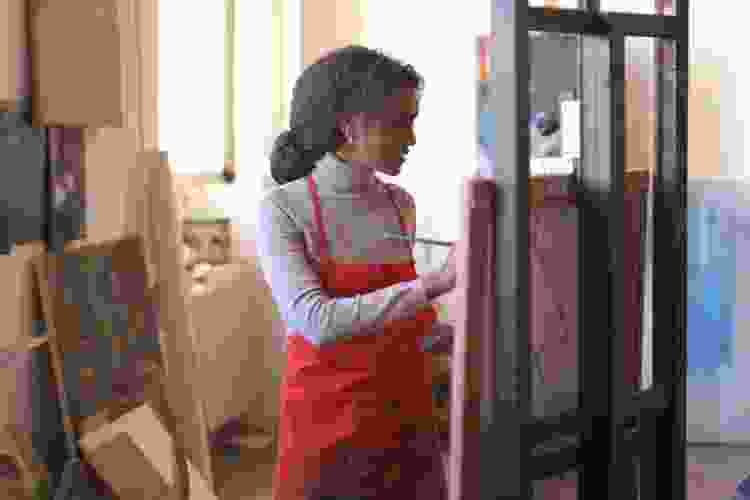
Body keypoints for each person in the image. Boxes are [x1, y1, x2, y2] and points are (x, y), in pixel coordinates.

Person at [255, 45, 457, 500]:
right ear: (349, 125)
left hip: (407, 426)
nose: (413, 138)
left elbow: (397, 317)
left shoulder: (399, 204)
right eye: (401, 122)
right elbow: (317, 321)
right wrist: (438, 282)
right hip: (328, 434)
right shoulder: (283, 209)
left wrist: (448, 335)